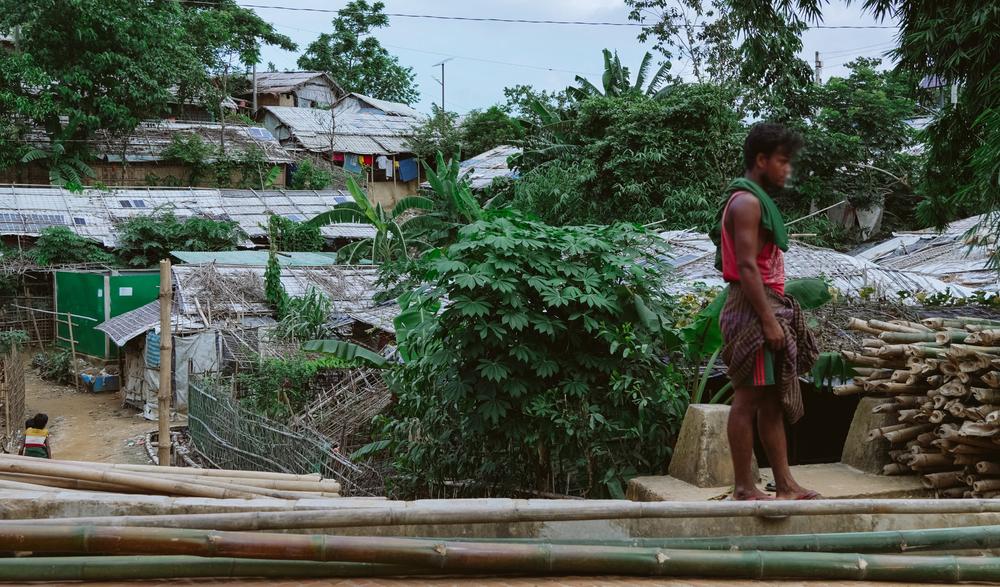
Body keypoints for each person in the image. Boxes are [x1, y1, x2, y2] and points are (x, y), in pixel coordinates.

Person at [716, 123, 820, 501]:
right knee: (746, 400)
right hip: (752, 309)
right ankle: (745, 486)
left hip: (763, 305)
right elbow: (746, 267)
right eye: (781, 161)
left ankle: (786, 484)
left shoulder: (755, 201)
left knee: (771, 401)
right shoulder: (746, 202)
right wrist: (767, 319)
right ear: (761, 160)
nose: (786, 170)